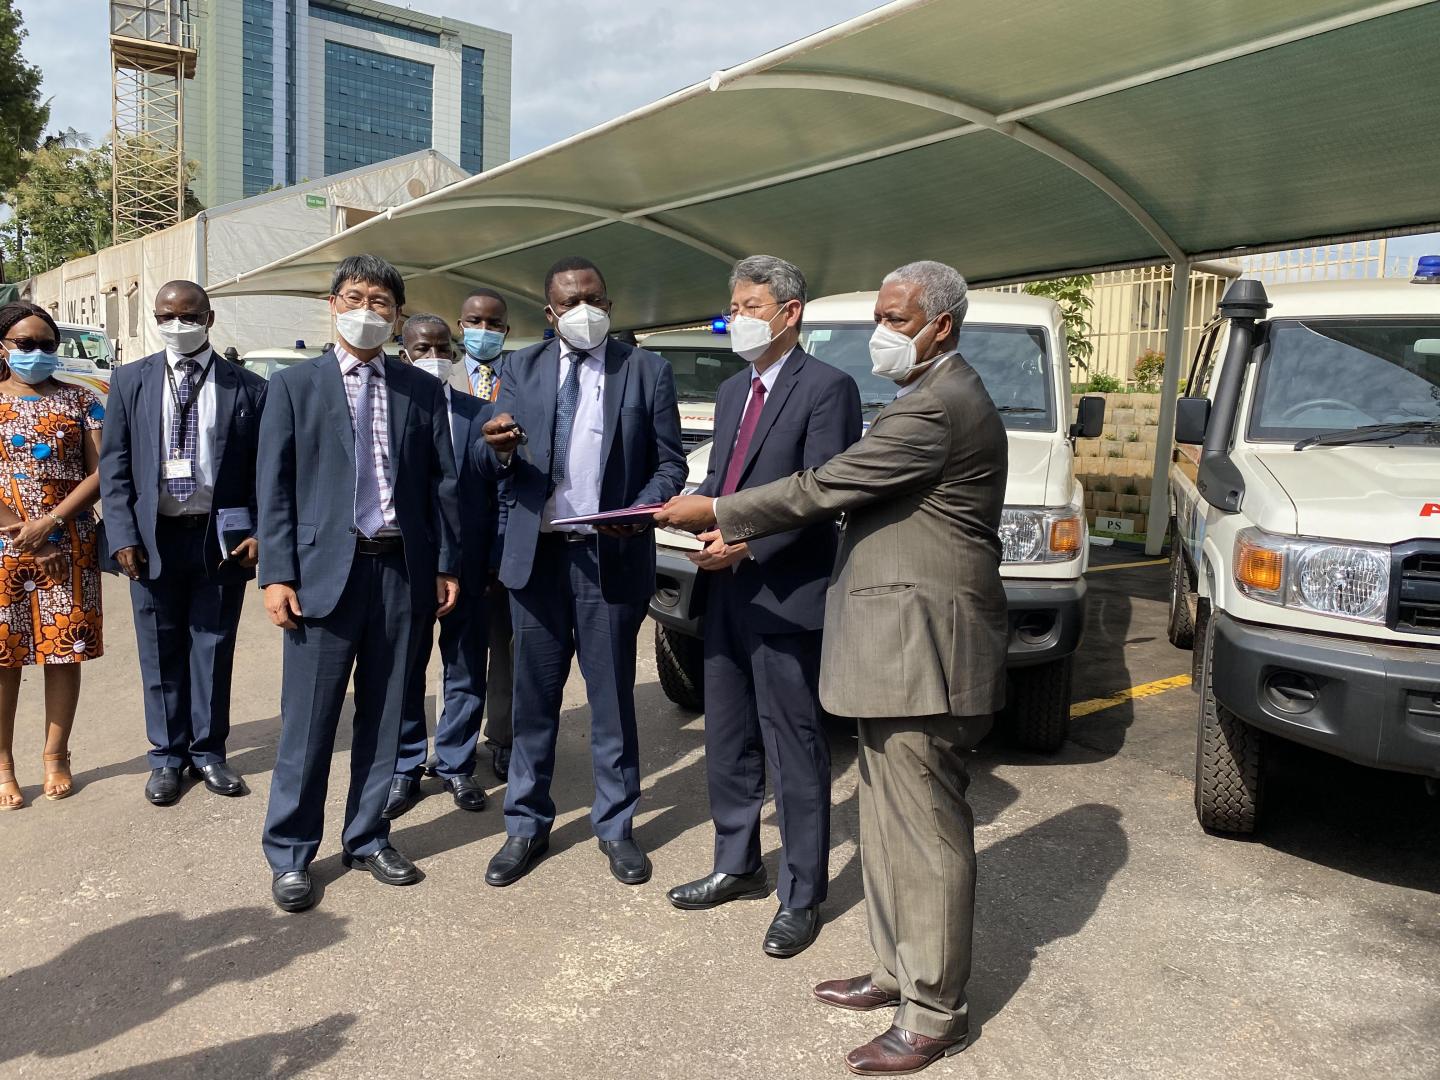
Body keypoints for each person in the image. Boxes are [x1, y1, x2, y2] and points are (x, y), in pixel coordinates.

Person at [656, 261, 1007, 1075]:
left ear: (940, 326)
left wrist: (721, 511)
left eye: (895, 317)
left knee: (924, 837)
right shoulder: (926, 396)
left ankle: (935, 1010)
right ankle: (897, 971)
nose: (879, 332)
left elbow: (828, 484)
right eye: (880, 314)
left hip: (928, 649)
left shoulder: (938, 408)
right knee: (884, 824)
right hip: (894, 648)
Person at [665, 256, 860, 959]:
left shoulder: (826, 389)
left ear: (790, 312)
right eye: (734, 308)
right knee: (728, 735)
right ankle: (736, 862)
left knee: (794, 745)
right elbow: (722, 482)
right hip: (724, 590)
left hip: (784, 593)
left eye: (752, 307)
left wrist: (743, 543)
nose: (739, 320)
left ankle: (802, 893)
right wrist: (686, 520)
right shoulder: (729, 391)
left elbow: (822, 494)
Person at [257, 254, 461, 913]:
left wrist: (446, 564)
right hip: (322, 574)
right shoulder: (294, 388)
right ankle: (291, 852)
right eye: (355, 298)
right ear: (332, 304)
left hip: (401, 569)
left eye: (380, 302)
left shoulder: (420, 390)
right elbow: (276, 491)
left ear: (397, 316)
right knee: (309, 723)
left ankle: (368, 835)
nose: (366, 312)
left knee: (387, 714)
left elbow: (443, 487)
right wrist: (276, 576)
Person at [480, 255, 686, 888]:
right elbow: (496, 461)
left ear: (610, 304)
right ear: (550, 313)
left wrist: (640, 511)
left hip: (609, 558)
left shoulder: (646, 370)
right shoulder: (521, 366)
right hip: (537, 559)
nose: (583, 310)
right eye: (570, 302)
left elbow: (670, 465)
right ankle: (525, 824)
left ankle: (616, 825)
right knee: (534, 700)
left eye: (593, 298)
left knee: (611, 700)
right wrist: (502, 450)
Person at [99, 281, 268, 806]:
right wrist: (123, 534)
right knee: (159, 648)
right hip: (153, 539)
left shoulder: (248, 387)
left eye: (188, 316)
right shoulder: (130, 380)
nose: (178, 325)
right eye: (167, 316)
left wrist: (260, 530)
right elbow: (116, 466)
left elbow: (266, 468)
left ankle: (209, 752)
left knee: (213, 648)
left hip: (220, 540)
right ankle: (167, 758)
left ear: (209, 318)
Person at [384, 314, 497, 818]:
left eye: (442, 348)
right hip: (409, 561)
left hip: (471, 562)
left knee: (467, 665)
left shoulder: (481, 413)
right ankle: (405, 765)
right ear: (402, 352)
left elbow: (497, 491)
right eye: (421, 348)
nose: (434, 356)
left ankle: (455, 762)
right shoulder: (390, 408)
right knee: (405, 666)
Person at [0, 302, 105, 810]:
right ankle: (3, 765)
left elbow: (101, 471)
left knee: (64, 651)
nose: (38, 353)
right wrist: (27, 535)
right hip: (4, 544)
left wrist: (53, 525)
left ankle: (55, 755)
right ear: (3, 346)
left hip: (70, 541)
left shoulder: (82, 401)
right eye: (26, 344)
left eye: (47, 345)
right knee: (5, 659)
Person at [457, 288, 514, 781]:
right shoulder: (434, 373)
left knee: (503, 644)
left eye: (493, 324)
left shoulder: (517, 378)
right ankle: (448, 748)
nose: (484, 330)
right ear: (461, 325)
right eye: (475, 321)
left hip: (502, 537)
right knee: (455, 651)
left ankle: (502, 737)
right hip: (449, 536)